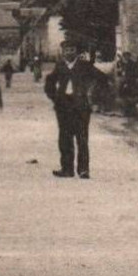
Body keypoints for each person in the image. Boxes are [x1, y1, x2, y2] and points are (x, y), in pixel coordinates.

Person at [44, 45, 101, 178]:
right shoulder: (60, 66)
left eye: (72, 49)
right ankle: (67, 169)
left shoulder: (85, 65)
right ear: (62, 52)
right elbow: (49, 81)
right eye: (66, 50)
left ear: (76, 52)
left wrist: (92, 96)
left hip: (81, 106)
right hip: (63, 106)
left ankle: (83, 170)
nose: (69, 52)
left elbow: (100, 78)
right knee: (65, 138)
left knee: (82, 138)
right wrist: (54, 97)